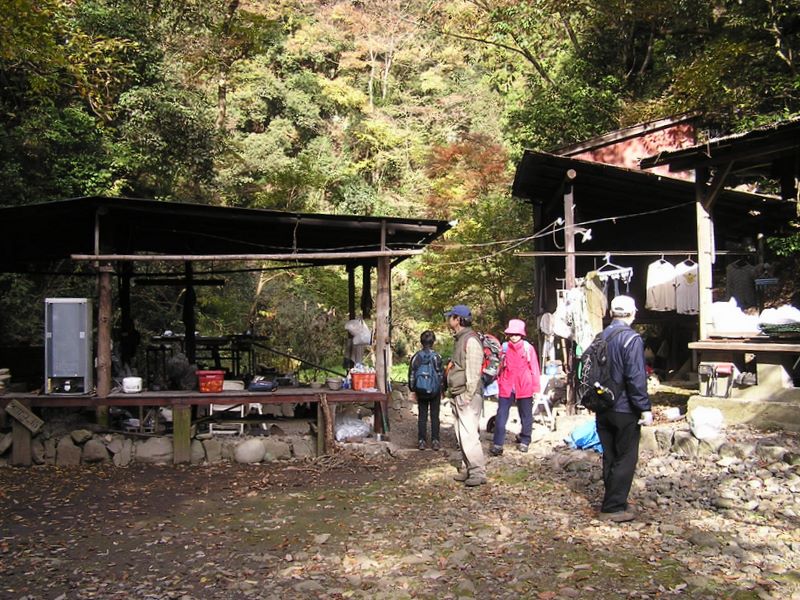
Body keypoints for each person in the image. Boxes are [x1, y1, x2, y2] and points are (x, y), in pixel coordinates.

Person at [595, 295, 653, 523]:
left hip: (602, 404)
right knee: (626, 457)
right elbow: (635, 377)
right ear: (633, 313)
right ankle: (613, 507)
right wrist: (644, 407)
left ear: (611, 313)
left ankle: (612, 499)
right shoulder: (632, 339)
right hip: (624, 406)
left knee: (610, 455)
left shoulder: (601, 336)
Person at [444, 304, 487, 486]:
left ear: (458, 320)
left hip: (467, 395)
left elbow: (473, 371)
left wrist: (467, 396)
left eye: (451, 317)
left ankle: (477, 472)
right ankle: (468, 469)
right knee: (461, 435)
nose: (449, 320)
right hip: (458, 393)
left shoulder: (470, 340)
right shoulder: (460, 339)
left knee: (469, 435)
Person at [490, 319, 541, 456]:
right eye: (511, 334)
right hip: (506, 385)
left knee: (526, 415)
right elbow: (499, 367)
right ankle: (498, 444)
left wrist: (536, 388)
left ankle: (525, 440)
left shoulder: (528, 348)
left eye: (516, 334)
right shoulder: (504, 348)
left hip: (524, 385)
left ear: (522, 335)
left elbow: (534, 368)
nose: (513, 336)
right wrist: (497, 383)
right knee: (501, 415)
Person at [408, 330, 444, 450]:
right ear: (433, 342)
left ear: (421, 342)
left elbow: (412, 374)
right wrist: (441, 389)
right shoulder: (437, 357)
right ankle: (435, 441)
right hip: (434, 391)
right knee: (435, 415)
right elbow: (441, 375)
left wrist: (413, 389)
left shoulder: (416, 357)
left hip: (420, 390)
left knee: (422, 415)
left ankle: (421, 441)